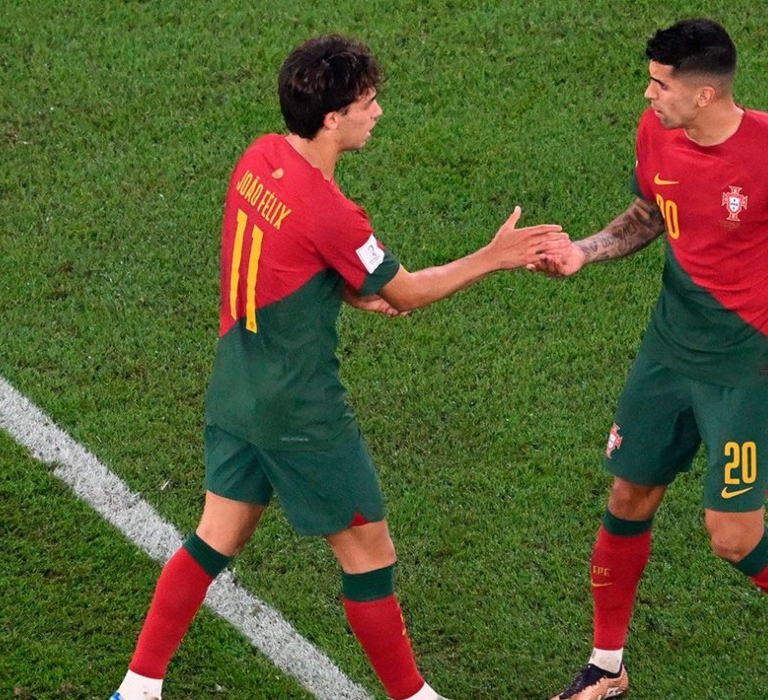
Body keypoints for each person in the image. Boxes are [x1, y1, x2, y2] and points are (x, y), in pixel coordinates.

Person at [110, 34, 567, 700]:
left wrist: (347, 286)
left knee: (214, 538)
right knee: (369, 557)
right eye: (367, 102)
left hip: (238, 387)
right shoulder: (332, 212)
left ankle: (138, 688)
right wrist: (494, 255)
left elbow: (284, 254)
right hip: (301, 410)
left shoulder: (259, 157)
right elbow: (405, 291)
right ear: (332, 119)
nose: (376, 113)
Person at [535, 18, 768, 700]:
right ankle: (607, 665)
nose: (648, 96)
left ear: (704, 94)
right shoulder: (659, 132)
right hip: (668, 351)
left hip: (746, 367)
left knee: (733, 535)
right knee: (628, 494)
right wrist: (583, 251)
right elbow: (649, 213)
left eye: (660, 84)